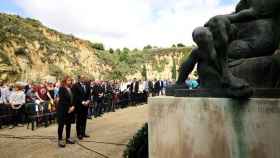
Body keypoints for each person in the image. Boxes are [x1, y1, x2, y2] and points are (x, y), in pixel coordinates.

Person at [57, 76, 75, 147]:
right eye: (68, 80)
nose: (70, 82)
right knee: (61, 125)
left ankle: (68, 138)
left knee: (68, 124)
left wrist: (73, 106)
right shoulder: (62, 89)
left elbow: (73, 99)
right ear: (64, 81)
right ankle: (60, 139)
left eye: (70, 80)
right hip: (62, 109)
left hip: (70, 109)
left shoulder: (70, 88)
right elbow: (62, 100)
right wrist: (69, 108)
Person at [72, 75, 91, 140]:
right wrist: (82, 102)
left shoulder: (87, 85)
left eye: (84, 78)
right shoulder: (75, 85)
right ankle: (79, 134)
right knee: (79, 120)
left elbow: (89, 94)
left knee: (84, 120)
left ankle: (83, 133)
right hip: (79, 106)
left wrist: (88, 100)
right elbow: (75, 96)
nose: (84, 79)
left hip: (86, 105)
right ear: (79, 79)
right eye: (82, 78)